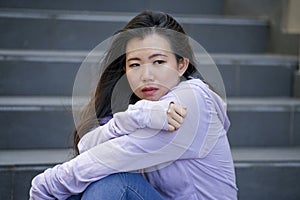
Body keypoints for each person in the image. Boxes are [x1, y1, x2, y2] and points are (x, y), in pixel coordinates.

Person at [30, 10, 238, 200]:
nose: (146, 75)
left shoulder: (189, 103)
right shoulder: (145, 108)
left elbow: (107, 158)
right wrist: (127, 120)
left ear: (181, 65)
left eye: (158, 62)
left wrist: (43, 187)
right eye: (135, 64)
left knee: (112, 183)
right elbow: (87, 147)